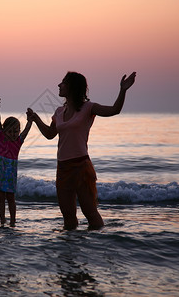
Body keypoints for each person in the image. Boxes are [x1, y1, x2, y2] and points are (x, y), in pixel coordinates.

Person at [27, 71, 136, 230]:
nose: (59, 85)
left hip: (81, 167)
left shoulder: (88, 108)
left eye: (63, 82)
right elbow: (50, 135)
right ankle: (71, 251)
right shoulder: (58, 111)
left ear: (72, 87)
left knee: (90, 213)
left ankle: (94, 249)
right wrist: (36, 119)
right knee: (68, 219)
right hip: (63, 169)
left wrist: (123, 90)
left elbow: (114, 110)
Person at [0, 107, 32, 226]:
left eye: (16, 131)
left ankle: (13, 221)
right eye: (10, 131)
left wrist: (30, 120)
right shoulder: (1, 137)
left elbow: (27, 130)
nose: (13, 134)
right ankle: (2, 220)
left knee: (11, 198)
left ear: (19, 131)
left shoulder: (18, 141)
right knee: (0, 198)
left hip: (10, 172)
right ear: (4, 130)